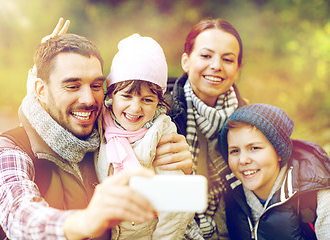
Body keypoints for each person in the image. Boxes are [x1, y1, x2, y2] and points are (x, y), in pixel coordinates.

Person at [0, 21, 193, 239]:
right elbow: (22, 217)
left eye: (96, 86)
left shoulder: (103, 133)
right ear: (40, 90)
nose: (88, 99)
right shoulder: (7, 155)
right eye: (72, 86)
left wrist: (184, 171)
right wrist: (87, 220)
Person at [96, 33, 194, 239]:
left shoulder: (161, 134)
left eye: (147, 99)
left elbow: (177, 206)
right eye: (126, 96)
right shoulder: (99, 122)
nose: (135, 107)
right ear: (111, 93)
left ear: (159, 102)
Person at [166, 18, 247, 239]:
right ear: (186, 61)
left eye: (227, 59)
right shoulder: (161, 111)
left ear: (237, 69)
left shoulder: (248, 119)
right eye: (205, 55)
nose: (216, 66)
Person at [218, 103, 330, 239]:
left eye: (254, 148)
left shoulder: (317, 196)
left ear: (279, 153)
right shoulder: (229, 198)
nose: (242, 160)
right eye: (234, 151)